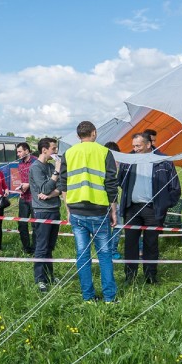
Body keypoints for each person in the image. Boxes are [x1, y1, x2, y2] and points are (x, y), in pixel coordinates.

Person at [65, 122, 118, 303]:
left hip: (77, 211)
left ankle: (88, 297)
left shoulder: (69, 153)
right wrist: (114, 211)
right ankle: (110, 297)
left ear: (78, 135)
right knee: (105, 255)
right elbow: (111, 184)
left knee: (82, 255)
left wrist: (68, 210)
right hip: (99, 210)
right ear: (94, 133)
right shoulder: (104, 152)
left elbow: (63, 184)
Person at [118, 132, 181, 285]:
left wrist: (164, 204)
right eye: (133, 146)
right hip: (132, 208)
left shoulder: (163, 160)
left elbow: (175, 188)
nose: (135, 149)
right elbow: (120, 181)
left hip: (153, 210)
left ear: (148, 144)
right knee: (130, 244)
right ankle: (130, 277)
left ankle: (150, 277)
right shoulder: (129, 160)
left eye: (138, 146)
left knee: (151, 244)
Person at [30, 138, 65, 292]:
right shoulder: (35, 168)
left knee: (50, 246)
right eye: (53, 148)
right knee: (42, 246)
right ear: (44, 150)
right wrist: (56, 172)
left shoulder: (50, 166)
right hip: (42, 211)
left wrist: (51, 195)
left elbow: (61, 185)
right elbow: (44, 188)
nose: (56, 152)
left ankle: (49, 275)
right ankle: (40, 278)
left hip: (54, 209)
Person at [14, 142, 37, 254]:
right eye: (17, 152)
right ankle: (26, 248)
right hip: (23, 197)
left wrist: (29, 184)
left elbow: (40, 181)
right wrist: (21, 188)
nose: (18, 154)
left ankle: (36, 248)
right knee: (22, 224)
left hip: (34, 198)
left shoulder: (36, 162)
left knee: (35, 225)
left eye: (20, 151)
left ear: (27, 151)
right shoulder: (20, 164)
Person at [104, 141, 123, 259]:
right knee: (105, 227)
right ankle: (106, 250)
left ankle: (113, 249)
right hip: (102, 201)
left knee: (118, 225)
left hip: (115, 200)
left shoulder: (119, 165)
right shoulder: (100, 164)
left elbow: (118, 183)